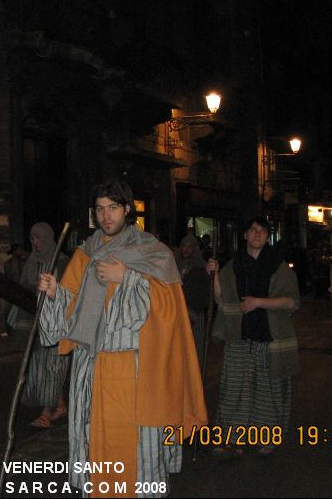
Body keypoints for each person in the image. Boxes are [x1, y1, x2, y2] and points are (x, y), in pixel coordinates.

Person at [38, 179, 206, 497]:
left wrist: (127, 277)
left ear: (127, 210)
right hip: (92, 366)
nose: (106, 216)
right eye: (100, 209)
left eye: (113, 208)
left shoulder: (153, 251)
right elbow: (69, 307)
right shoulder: (85, 254)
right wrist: (53, 293)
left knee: (138, 447)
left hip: (135, 367)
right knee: (95, 441)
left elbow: (169, 307)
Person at [206, 218, 299, 456]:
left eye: (262, 230)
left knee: (268, 391)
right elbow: (220, 298)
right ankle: (232, 438)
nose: (257, 233)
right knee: (234, 389)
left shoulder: (278, 265)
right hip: (240, 338)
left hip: (270, 338)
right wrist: (215, 275)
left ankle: (266, 437)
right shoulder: (234, 265)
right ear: (245, 235)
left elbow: (291, 301)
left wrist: (258, 302)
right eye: (252, 230)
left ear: (268, 236)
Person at [12, 222, 70, 429]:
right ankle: (59, 405)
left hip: (54, 322)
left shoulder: (62, 262)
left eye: (38, 237)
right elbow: (23, 287)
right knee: (39, 368)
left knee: (52, 369)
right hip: (34, 322)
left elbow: (67, 292)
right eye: (32, 238)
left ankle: (46, 413)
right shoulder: (32, 261)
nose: (35, 242)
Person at [176, 234, 211, 370]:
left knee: (194, 353)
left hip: (193, 315)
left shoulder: (201, 268)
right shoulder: (174, 265)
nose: (186, 249)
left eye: (190, 246)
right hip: (175, 314)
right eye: (184, 246)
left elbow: (202, 295)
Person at [2, 243, 28, 337]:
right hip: (13, 290)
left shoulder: (24, 262)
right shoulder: (9, 264)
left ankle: (16, 330)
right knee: (9, 310)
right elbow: (7, 278)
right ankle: (10, 330)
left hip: (20, 289)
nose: (21, 252)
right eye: (19, 250)